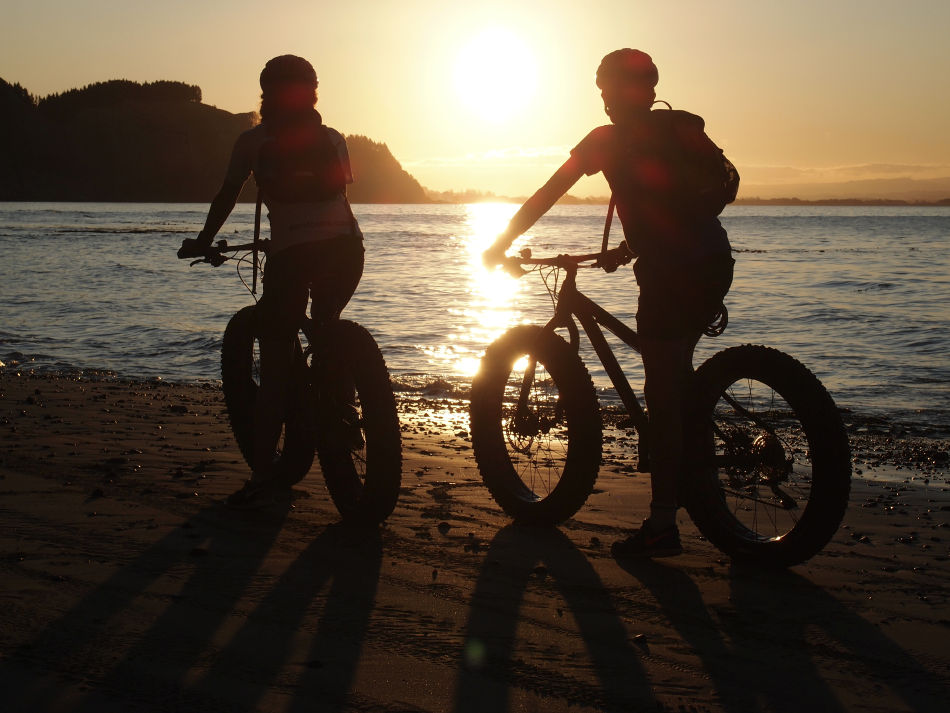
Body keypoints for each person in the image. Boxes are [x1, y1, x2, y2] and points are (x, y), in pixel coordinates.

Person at [483, 49, 734, 558]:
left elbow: (550, 191)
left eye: (604, 90)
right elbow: (674, 209)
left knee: (661, 392)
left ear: (619, 91)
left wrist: (500, 241)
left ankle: (663, 525)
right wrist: (627, 249)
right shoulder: (678, 131)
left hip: (670, 274)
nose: (603, 100)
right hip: (713, 261)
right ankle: (703, 484)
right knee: (676, 375)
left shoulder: (609, 140)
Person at [179, 54, 364, 507]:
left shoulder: (252, 142)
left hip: (290, 256)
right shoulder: (334, 139)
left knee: (278, 360)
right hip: (346, 250)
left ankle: (264, 473)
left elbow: (227, 195)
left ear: (266, 93)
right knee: (327, 322)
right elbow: (339, 196)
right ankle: (343, 403)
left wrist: (205, 241)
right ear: (313, 92)